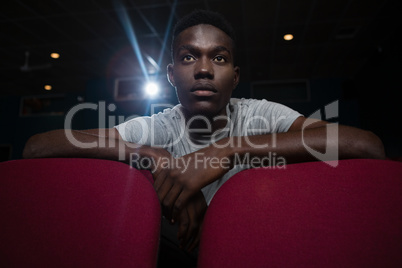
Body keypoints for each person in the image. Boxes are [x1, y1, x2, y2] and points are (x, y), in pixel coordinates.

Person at [23, 9, 385, 264]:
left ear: (235, 75)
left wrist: (227, 150)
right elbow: (38, 147)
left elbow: (366, 145)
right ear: (170, 74)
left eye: (220, 59)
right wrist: (152, 156)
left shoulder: (261, 114)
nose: (204, 70)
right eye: (188, 57)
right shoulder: (158, 126)